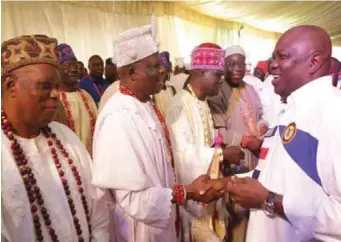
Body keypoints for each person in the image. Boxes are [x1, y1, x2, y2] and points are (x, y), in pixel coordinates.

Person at [91, 23, 226, 242]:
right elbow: (134, 200)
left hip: (163, 222)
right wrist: (187, 192)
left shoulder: (144, 103)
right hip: (139, 231)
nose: (162, 70)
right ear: (133, 73)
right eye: (154, 66)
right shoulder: (119, 116)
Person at [223, 25, 341, 242]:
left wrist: (270, 200)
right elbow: (274, 176)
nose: (272, 65)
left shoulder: (334, 114)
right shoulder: (289, 108)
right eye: (272, 57)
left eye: (282, 57)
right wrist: (227, 184)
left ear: (314, 62)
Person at [1, 34, 110, 242]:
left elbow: (99, 210)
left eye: (56, 87)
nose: (55, 95)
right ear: (10, 86)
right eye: (45, 86)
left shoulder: (65, 136)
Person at [166, 43, 245, 242]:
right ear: (201, 72)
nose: (221, 80)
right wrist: (221, 155)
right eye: (217, 75)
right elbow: (181, 155)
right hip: (192, 202)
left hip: (210, 195)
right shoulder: (180, 105)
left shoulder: (201, 102)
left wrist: (220, 152)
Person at [208, 45, 268, 171]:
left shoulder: (250, 89)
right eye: (232, 64)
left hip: (255, 153)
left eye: (241, 65)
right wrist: (245, 140)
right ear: (223, 66)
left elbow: (260, 116)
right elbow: (216, 132)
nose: (238, 69)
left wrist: (262, 126)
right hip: (233, 156)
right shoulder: (217, 92)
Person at [55, 43, 98, 155]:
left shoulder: (85, 95)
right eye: (68, 66)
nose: (74, 70)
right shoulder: (55, 99)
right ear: (57, 70)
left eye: (75, 65)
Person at [153, 51, 177, 116]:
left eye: (166, 72)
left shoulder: (171, 88)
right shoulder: (153, 93)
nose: (164, 75)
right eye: (161, 73)